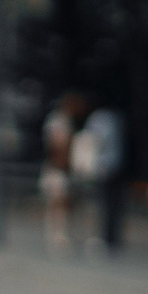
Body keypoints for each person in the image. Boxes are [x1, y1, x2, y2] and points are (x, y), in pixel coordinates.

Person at [40, 94, 84, 253]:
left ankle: (60, 234)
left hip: (60, 169)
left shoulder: (63, 121)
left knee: (62, 203)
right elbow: (56, 146)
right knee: (58, 202)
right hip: (57, 169)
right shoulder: (59, 121)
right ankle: (57, 235)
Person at [83, 104, 127, 251]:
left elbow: (94, 141)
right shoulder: (115, 118)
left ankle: (107, 236)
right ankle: (110, 237)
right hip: (113, 165)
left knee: (105, 204)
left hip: (104, 166)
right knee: (112, 205)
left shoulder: (99, 119)